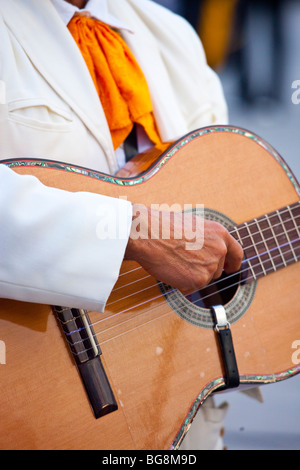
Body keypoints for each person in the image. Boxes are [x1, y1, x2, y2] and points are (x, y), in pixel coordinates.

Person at [0, 0, 243, 449]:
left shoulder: (173, 35)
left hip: (174, 391)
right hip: (38, 395)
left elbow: (217, 194)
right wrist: (130, 231)